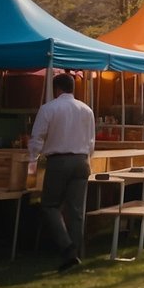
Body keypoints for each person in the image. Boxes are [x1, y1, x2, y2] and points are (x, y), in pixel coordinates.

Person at [27, 74, 94, 272]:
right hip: (82, 160)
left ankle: (67, 246)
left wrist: (32, 160)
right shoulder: (87, 109)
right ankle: (75, 253)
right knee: (76, 211)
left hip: (58, 160)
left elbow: (38, 137)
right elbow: (91, 141)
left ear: (56, 89)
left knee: (49, 205)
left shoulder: (49, 108)